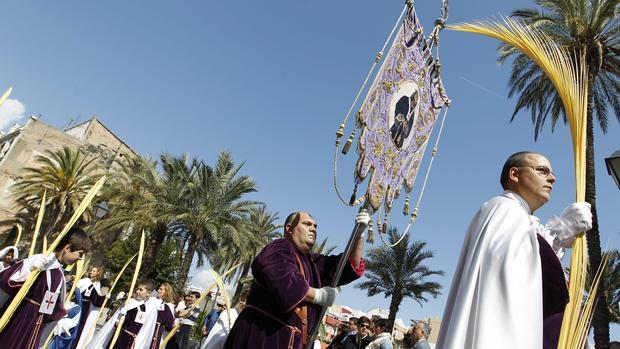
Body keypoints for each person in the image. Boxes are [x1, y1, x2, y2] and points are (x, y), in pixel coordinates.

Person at [435, 151, 593, 349]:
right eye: (542, 171)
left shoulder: (521, 217)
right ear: (514, 174)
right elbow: (510, 266)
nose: (552, 178)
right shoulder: (503, 208)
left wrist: (559, 234)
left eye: (551, 173)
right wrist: (561, 231)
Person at [224, 211, 370, 349]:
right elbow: (285, 282)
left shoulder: (314, 263)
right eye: (307, 224)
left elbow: (349, 265)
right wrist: (319, 295)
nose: (313, 229)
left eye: (315, 226)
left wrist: (359, 235)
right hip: (262, 336)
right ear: (289, 228)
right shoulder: (279, 247)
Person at [0, 227, 91, 349]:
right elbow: (7, 280)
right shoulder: (42, 261)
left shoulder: (58, 272)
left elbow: (50, 305)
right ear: (67, 248)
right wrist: (28, 266)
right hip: (22, 317)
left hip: (36, 322)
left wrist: (60, 315)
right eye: (80, 254)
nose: (80, 258)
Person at [73, 266, 106, 349]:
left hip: (86, 308)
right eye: (91, 270)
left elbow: (96, 300)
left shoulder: (97, 284)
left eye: (94, 271)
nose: (91, 272)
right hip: (77, 304)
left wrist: (105, 298)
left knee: (80, 326)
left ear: (98, 273)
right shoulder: (83, 281)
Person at [146, 283, 176, 349]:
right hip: (148, 327)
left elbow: (170, 322)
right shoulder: (151, 300)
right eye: (158, 289)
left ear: (166, 291)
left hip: (160, 332)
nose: (158, 290)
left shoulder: (169, 305)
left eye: (161, 289)